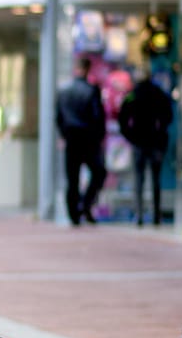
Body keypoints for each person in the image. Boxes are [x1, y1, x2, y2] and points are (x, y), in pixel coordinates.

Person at [56, 54, 108, 226]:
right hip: (88, 140)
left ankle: (74, 214)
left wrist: (64, 134)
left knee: (72, 178)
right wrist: (98, 138)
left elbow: (58, 117)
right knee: (98, 172)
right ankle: (85, 205)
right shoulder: (92, 90)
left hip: (71, 139)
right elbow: (98, 117)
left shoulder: (64, 91)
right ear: (87, 70)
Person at [118, 67, 174, 226]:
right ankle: (156, 214)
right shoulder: (159, 93)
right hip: (156, 142)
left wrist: (130, 136)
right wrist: (160, 130)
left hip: (139, 142)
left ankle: (139, 214)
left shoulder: (133, 95)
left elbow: (123, 118)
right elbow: (168, 115)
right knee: (156, 179)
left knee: (139, 179)